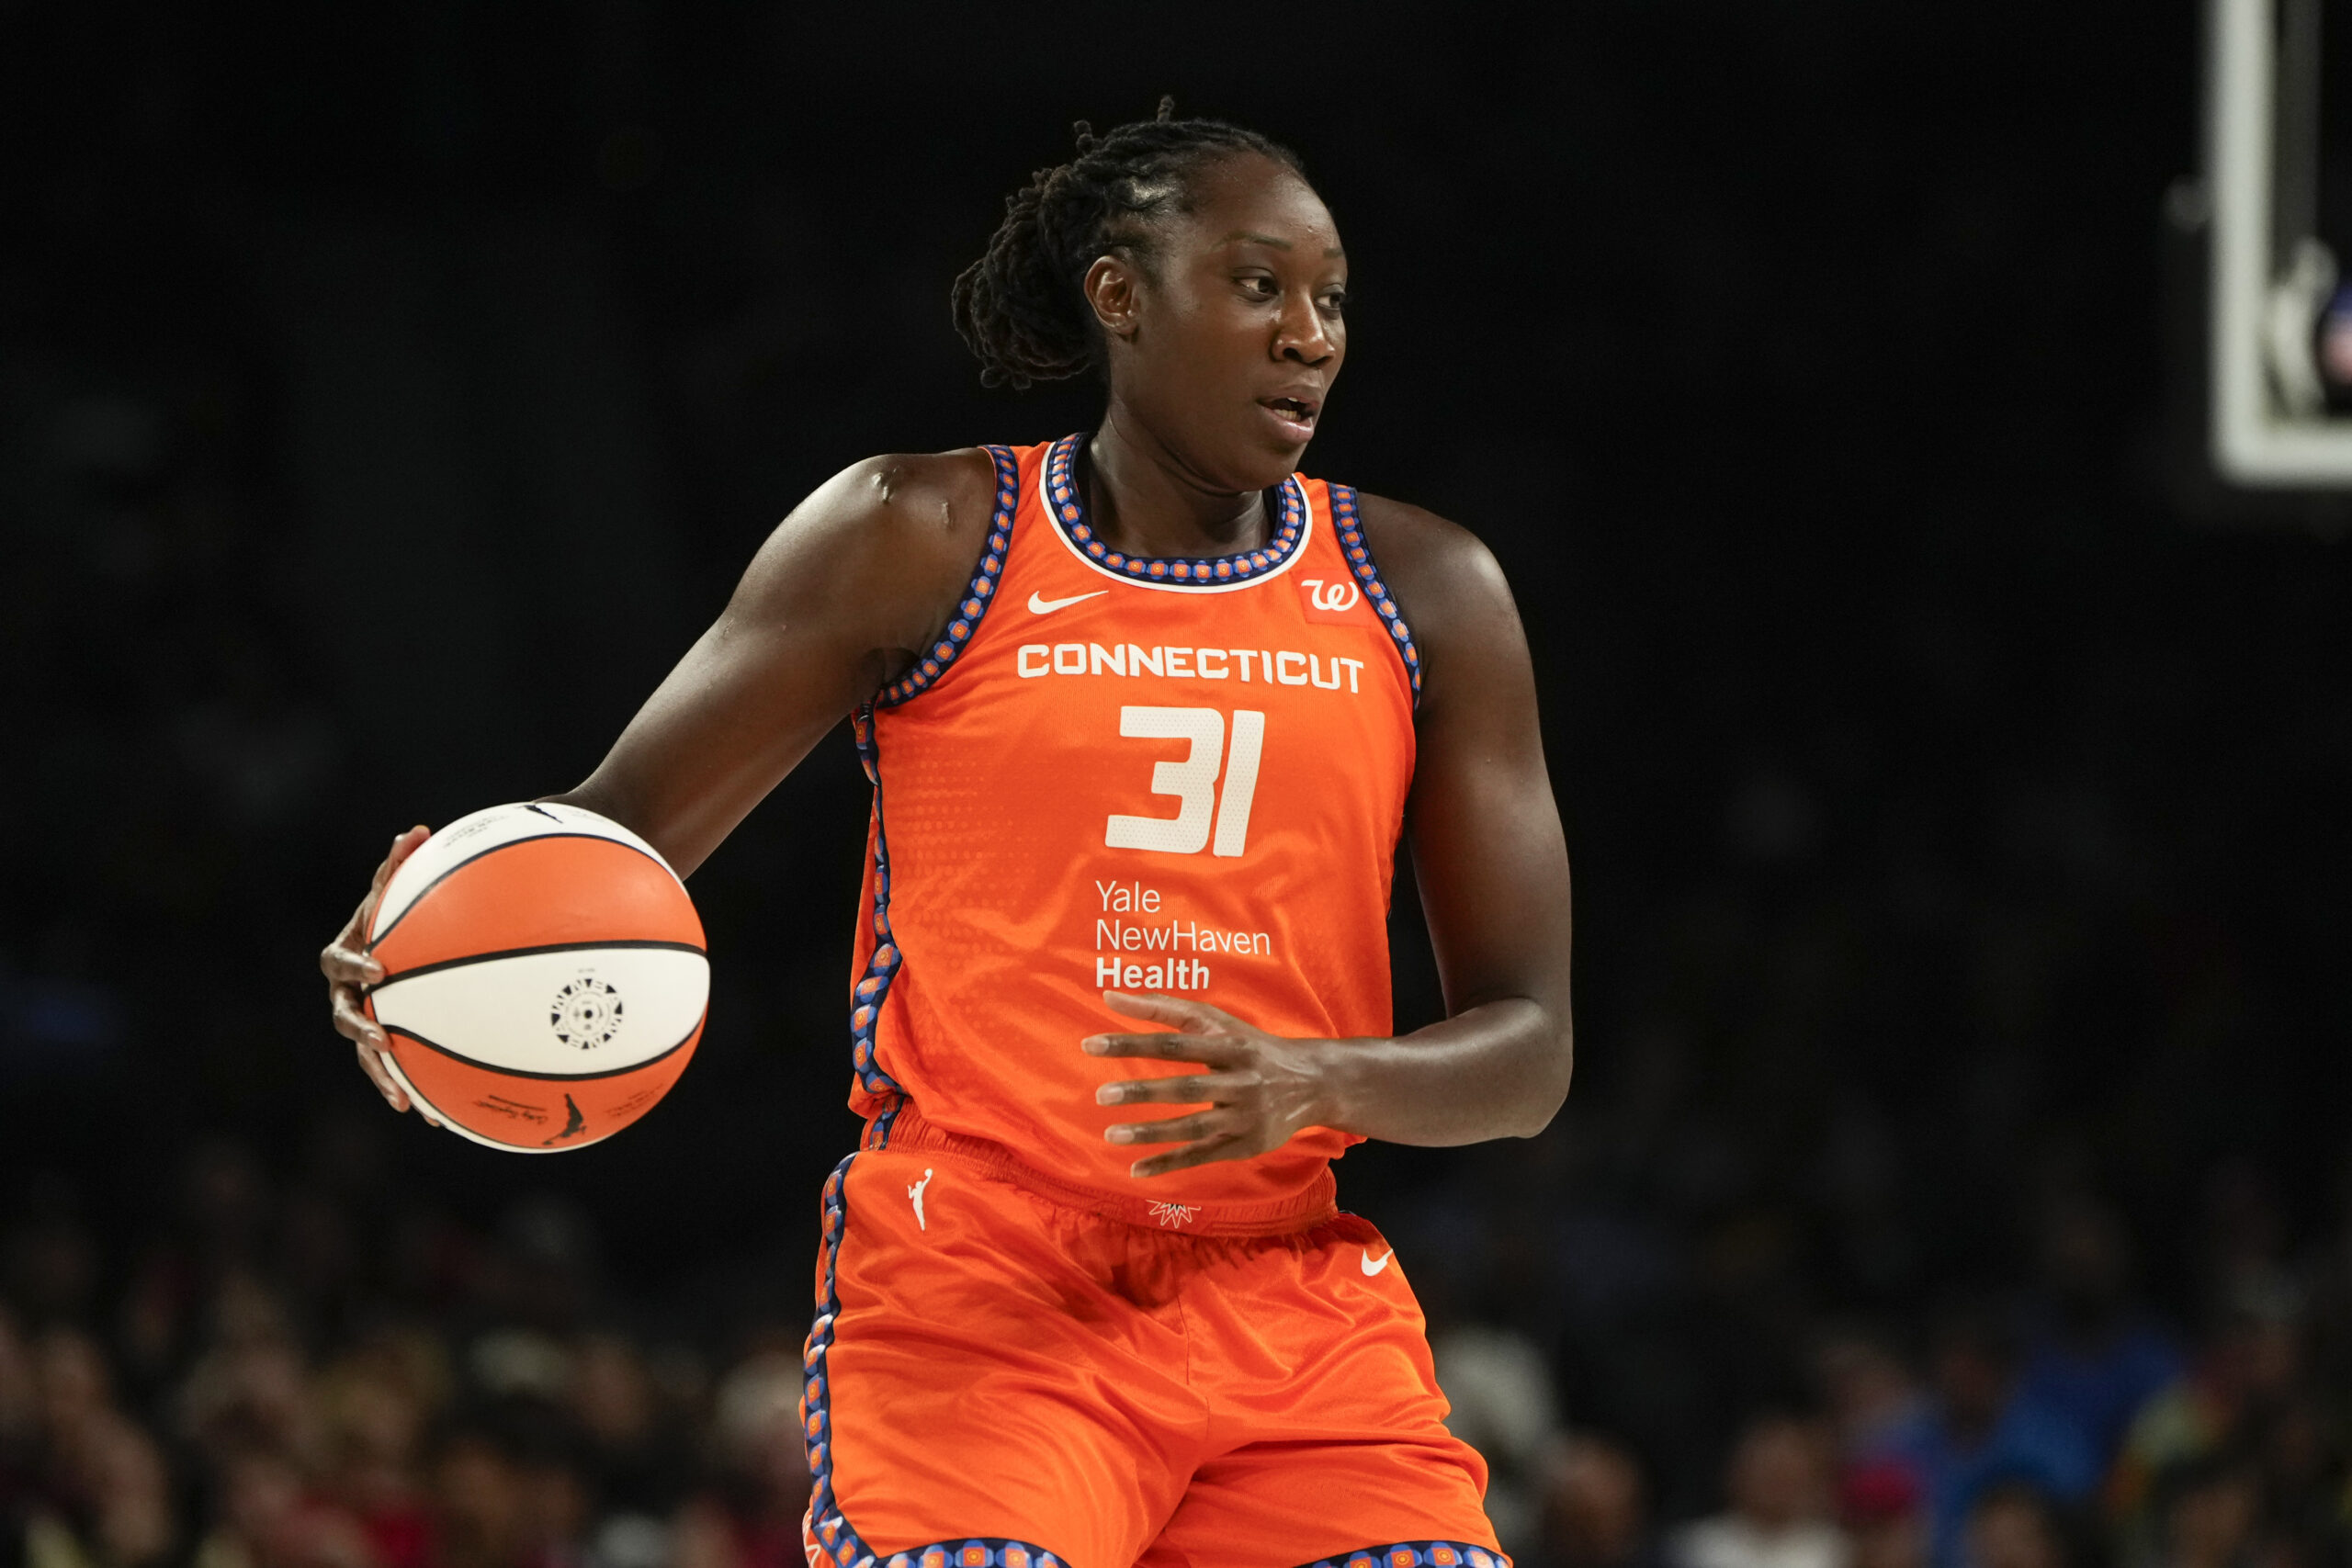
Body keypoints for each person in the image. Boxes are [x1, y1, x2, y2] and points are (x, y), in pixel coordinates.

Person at [320, 103, 1574, 1568]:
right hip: (982, 1292)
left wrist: (1318, 1079)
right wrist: (430, 941)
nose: (1310, 334)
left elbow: (1531, 1050)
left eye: (1332, 298)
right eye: (1257, 285)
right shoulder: (919, 531)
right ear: (1119, 295)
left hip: (1288, 1302)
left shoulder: (1430, 590)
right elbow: (611, 838)